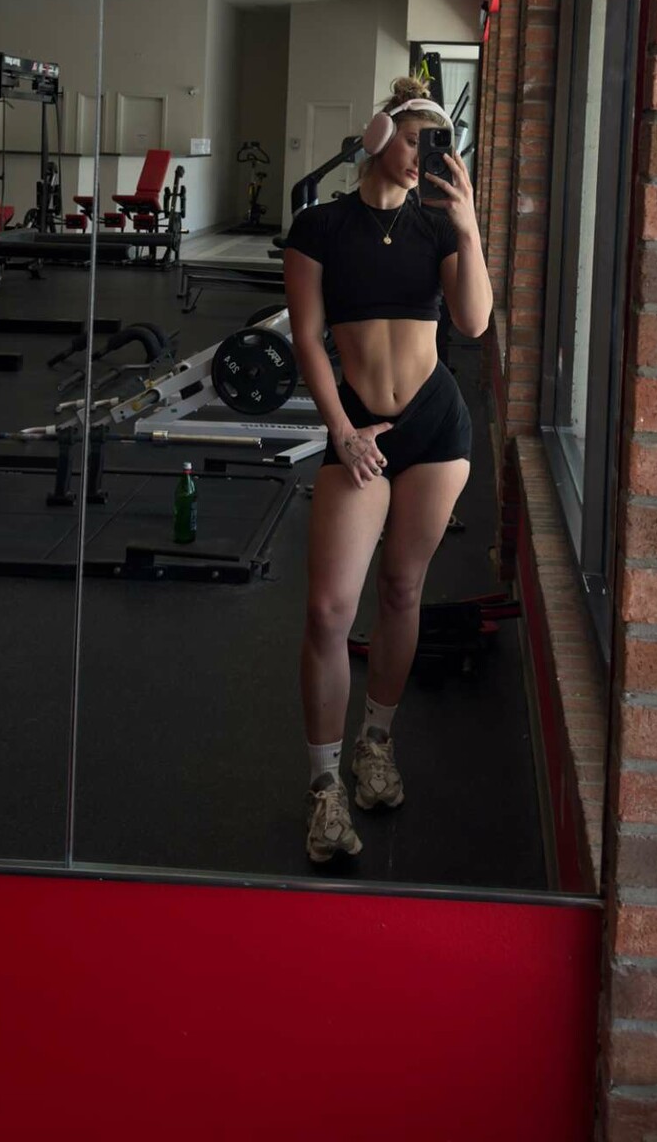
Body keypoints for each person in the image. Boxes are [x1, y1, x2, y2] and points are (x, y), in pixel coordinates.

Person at [283, 74, 493, 864]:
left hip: (436, 426)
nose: (422, 157)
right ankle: (324, 787)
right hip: (358, 430)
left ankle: (377, 744)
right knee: (329, 611)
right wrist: (340, 433)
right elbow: (308, 339)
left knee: (403, 590)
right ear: (378, 136)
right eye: (413, 141)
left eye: (436, 145)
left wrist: (469, 228)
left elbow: (473, 322)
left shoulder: (438, 226)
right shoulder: (319, 227)